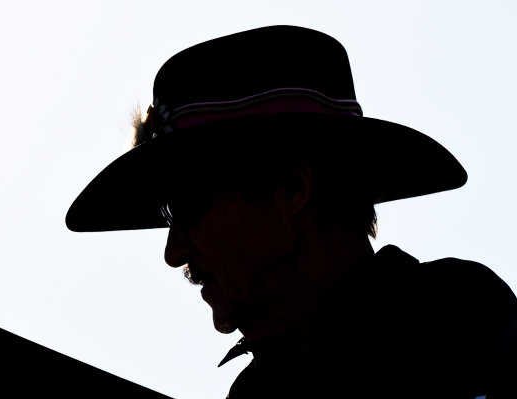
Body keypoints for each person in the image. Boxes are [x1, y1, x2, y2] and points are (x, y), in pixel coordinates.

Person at [66, 25, 517, 398]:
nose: (173, 250)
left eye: (183, 207)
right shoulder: (258, 396)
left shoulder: (463, 323)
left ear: (291, 189)